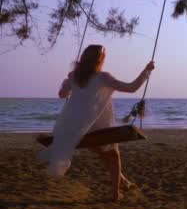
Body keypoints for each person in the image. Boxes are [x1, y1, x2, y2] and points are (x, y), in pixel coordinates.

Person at [37, 44, 155, 201]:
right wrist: (147, 70)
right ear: (100, 59)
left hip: (74, 129)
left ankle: (124, 182)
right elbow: (131, 88)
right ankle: (115, 194)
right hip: (97, 128)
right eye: (104, 56)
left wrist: (67, 81)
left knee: (104, 153)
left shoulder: (76, 76)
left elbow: (62, 94)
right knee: (113, 155)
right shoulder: (103, 77)